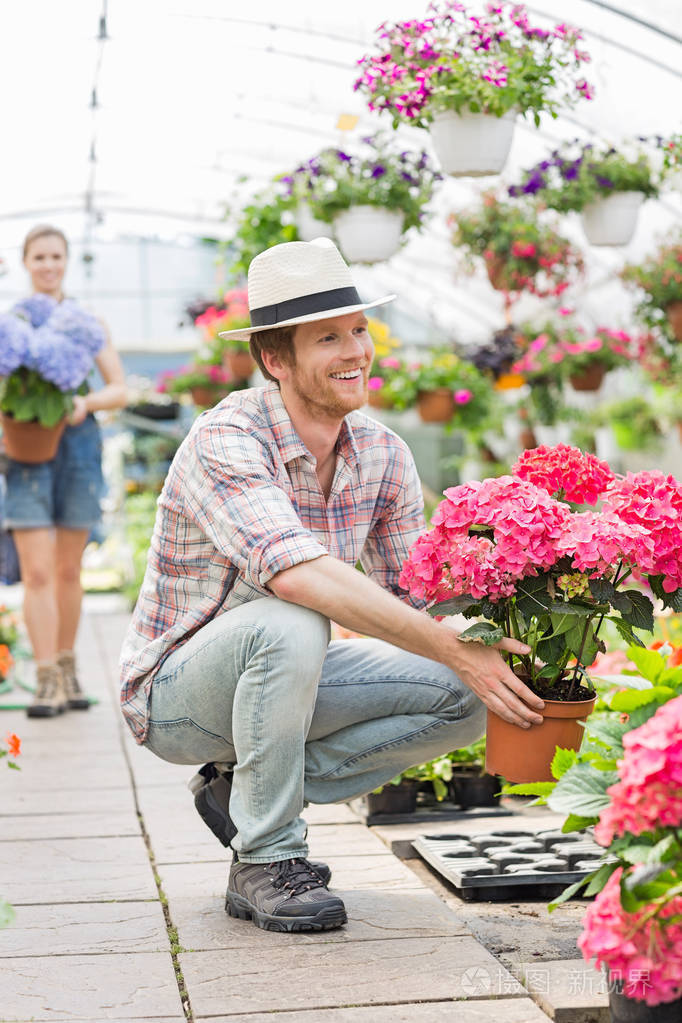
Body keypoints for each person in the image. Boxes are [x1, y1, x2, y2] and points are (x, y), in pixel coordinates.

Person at [119, 238, 543, 933]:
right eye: (328, 338)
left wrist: (512, 635)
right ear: (275, 359)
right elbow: (298, 574)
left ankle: (246, 795)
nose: (356, 350)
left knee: (474, 688)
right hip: (177, 693)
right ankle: (267, 856)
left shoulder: (382, 453)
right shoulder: (227, 437)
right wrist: (447, 641)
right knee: (293, 615)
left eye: (357, 329)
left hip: (291, 679)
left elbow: (418, 597)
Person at [3, 225, 127, 717]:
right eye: (39, 257)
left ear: (67, 261)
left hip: (77, 442)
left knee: (67, 568)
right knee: (35, 572)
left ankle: (70, 668)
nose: (49, 265)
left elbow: (119, 389)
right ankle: (46, 678)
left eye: (56, 256)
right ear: (26, 262)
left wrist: (84, 402)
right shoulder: (10, 324)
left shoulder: (85, 320)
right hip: (25, 449)